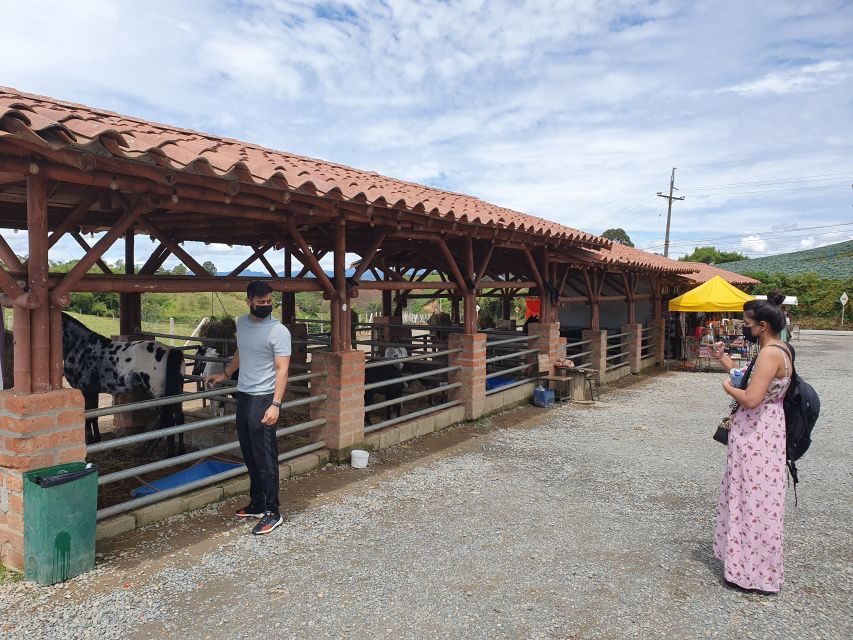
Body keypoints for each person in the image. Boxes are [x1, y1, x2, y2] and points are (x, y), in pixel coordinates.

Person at [710, 290, 792, 593]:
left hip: (758, 433)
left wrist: (727, 388)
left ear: (762, 326)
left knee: (753, 499)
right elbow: (746, 376)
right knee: (753, 497)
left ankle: (752, 574)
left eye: (747, 323)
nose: (744, 327)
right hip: (765, 432)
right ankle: (745, 567)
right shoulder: (779, 348)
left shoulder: (770, 353)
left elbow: (752, 397)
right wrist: (723, 359)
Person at [206, 281, 291, 535]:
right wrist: (225, 373)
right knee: (249, 453)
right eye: (261, 302)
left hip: (265, 398)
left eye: (269, 302)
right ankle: (257, 503)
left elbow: (282, 369)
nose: (266, 306)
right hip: (244, 395)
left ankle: (272, 511)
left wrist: (276, 403)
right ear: (249, 302)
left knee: (265, 457)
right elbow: (240, 353)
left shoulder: (279, 331)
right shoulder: (241, 323)